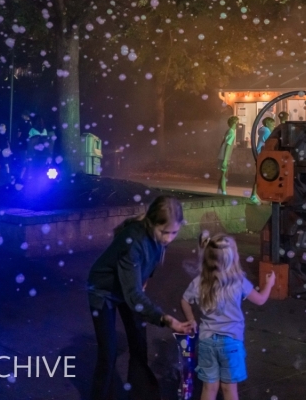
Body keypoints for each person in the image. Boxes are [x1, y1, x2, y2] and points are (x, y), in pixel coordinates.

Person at [87, 196, 194, 400]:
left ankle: (140, 396)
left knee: (139, 345)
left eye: (174, 232)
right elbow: (133, 295)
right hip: (103, 291)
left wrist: (144, 278)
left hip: (129, 286)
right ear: (152, 223)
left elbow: (151, 261)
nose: (168, 238)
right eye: (164, 232)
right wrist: (166, 319)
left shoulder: (158, 236)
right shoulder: (133, 242)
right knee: (108, 353)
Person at [180, 234, 275, 400]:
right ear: (233, 257)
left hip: (207, 342)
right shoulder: (239, 281)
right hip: (231, 343)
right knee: (229, 390)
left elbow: (184, 300)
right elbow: (260, 300)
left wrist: (191, 320)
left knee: (209, 389)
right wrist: (269, 284)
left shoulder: (200, 281)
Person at [247, 117, 276, 205]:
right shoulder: (267, 131)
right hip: (263, 156)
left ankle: (255, 195)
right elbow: (270, 142)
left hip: (262, 156)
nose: (273, 126)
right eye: (272, 124)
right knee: (262, 176)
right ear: (267, 124)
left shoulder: (263, 130)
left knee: (261, 176)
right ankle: (254, 196)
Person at [216, 117, 238, 196]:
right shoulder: (232, 133)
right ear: (234, 123)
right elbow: (228, 146)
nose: (238, 124)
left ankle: (219, 190)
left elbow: (223, 143)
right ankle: (224, 192)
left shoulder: (228, 131)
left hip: (222, 155)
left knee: (223, 174)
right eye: (237, 122)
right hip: (224, 156)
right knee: (224, 174)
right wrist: (225, 159)